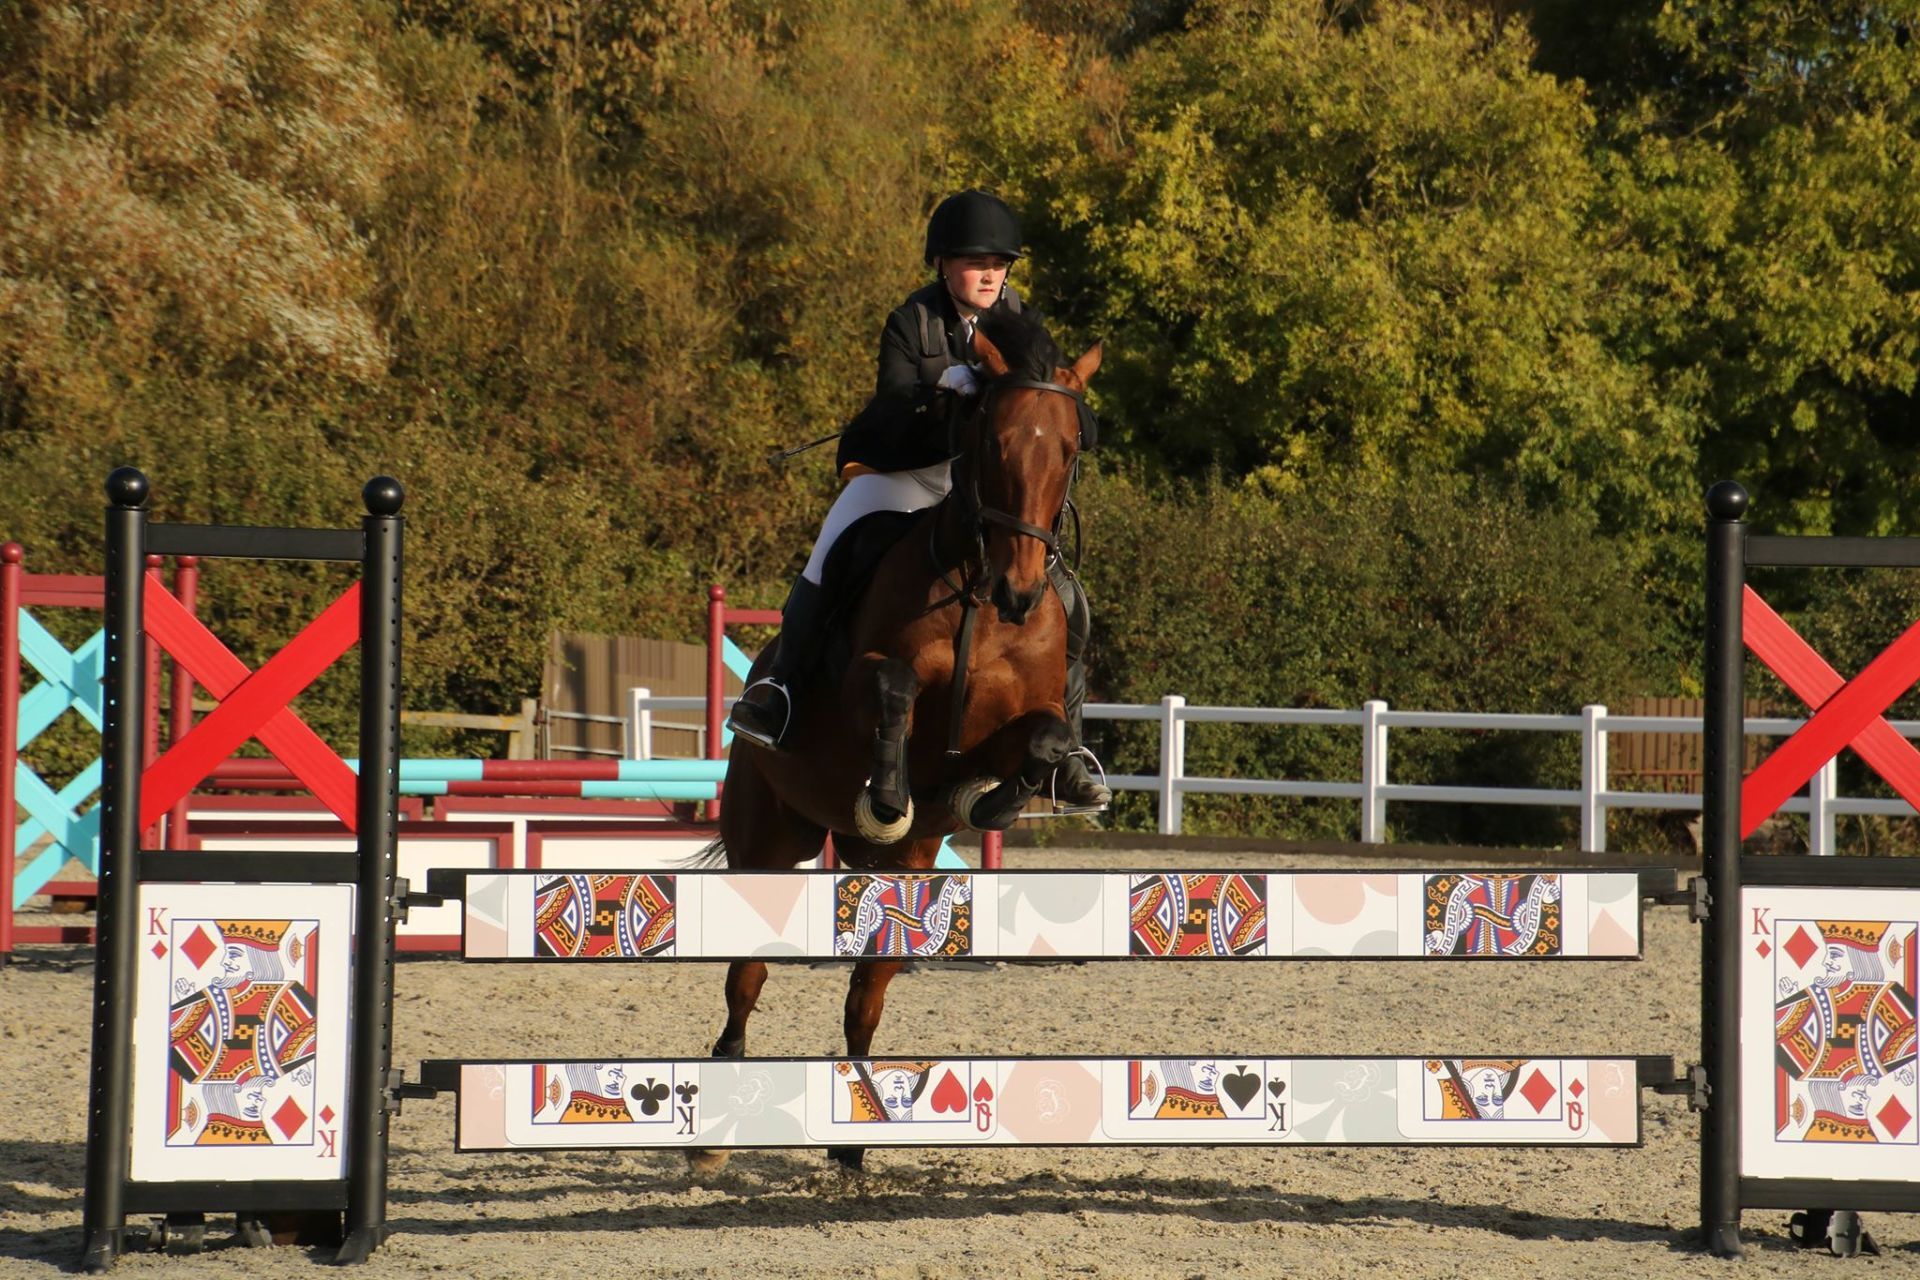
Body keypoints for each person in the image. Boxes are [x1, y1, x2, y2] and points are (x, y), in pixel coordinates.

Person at [726, 190, 1110, 811]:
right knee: (833, 551)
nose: (989, 274)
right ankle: (778, 692)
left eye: (999, 263)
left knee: (1065, 592)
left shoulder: (1024, 324)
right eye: (972, 261)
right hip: (907, 472)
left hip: (990, 490)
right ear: (942, 265)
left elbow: (1064, 422)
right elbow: (890, 412)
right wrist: (945, 397)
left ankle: (1068, 752)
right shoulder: (913, 322)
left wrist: (1067, 405)